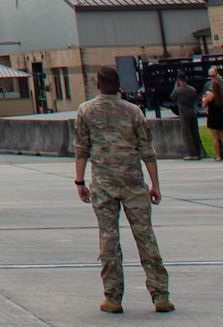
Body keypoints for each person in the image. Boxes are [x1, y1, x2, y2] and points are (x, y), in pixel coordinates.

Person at [73, 65, 172, 314]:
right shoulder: (133, 111)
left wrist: (79, 181)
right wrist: (155, 184)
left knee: (108, 238)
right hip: (133, 183)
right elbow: (147, 151)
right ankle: (160, 296)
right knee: (145, 236)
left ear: (97, 85)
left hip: (104, 185)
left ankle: (113, 297)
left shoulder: (85, 111)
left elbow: (81, 149)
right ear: (118, 86)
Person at [201, 66, 223, 161]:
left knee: (219, 136)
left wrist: (216, 97)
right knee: (222, 137)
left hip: (220, 113)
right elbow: (203, 95)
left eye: (213, 76)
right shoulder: (207, 85)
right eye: (210, 76)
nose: (212, 78)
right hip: (218, 113)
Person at [167, 75, 201, 160]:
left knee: (187, 133)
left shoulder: (178, 91)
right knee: (195, 132)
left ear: (179, 80)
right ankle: (198, 152)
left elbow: (172, 97)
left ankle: (191, 153)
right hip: (192, 111)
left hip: (184, 113)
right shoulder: (192, 89)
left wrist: (175, 87)